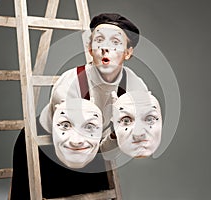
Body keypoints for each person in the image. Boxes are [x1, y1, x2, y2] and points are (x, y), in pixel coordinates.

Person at [10, 13, 149, 199]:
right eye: (99, 40)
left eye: (115, 41)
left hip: (92, 148)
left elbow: (111, 149)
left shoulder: (135, 86)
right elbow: (69, 138)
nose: (106, 48)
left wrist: (118, 134)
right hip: (47, 145)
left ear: (128, 52)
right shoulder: (71, 83)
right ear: (90, 49)